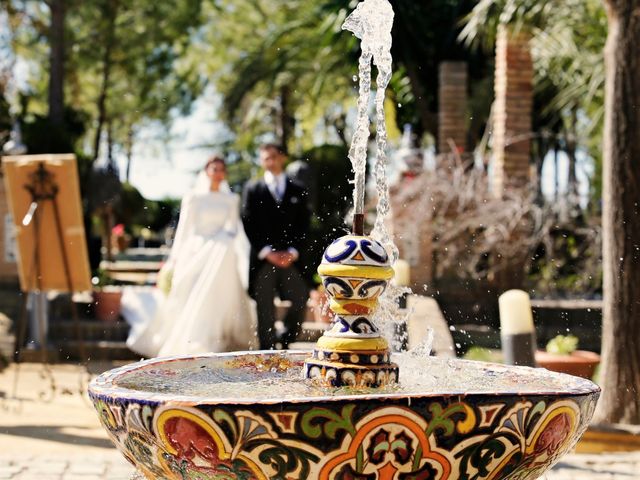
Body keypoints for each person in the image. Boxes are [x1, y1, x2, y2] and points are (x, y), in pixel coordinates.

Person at [121, 156, 256, 357]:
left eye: (221, 169)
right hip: (198, 250)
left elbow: (234, 229)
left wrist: (221, 240)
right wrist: (175, 259)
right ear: (206, 171)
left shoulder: (231, 199)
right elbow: (184, 230)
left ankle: (220, 334)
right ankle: (197, 338)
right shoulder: (193, 198)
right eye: (214, 168)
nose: (217, 173)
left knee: (223, 254)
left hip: (221, 251)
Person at [241, 144, 311, 349]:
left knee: (301, 297)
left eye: (273, 157)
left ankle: (286, 338)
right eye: (265, 159)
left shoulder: (298, 188)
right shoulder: (252, 189)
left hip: (291, 259)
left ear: (282, 158)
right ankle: (266, 351)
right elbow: (247, 222)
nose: (270, 162)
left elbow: (304, 224)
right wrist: (266, 252)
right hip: (264, 259)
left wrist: (293, 251)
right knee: (265, 308)